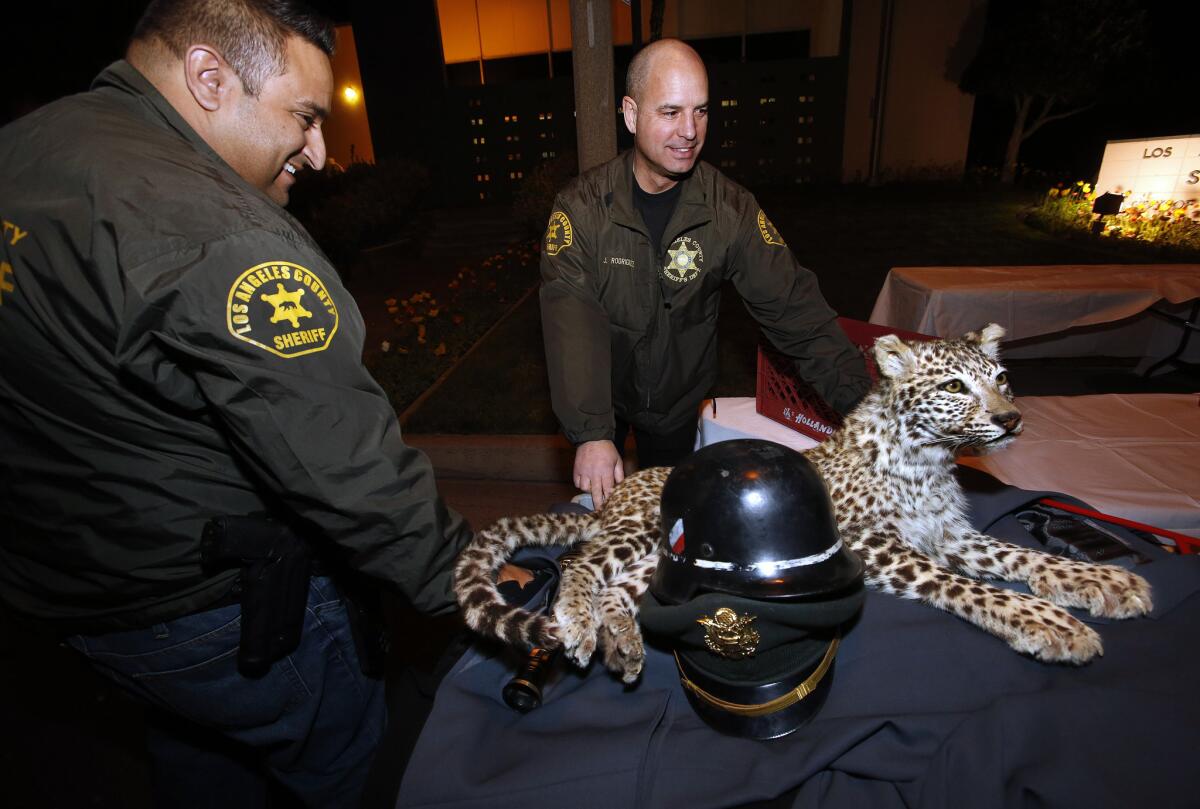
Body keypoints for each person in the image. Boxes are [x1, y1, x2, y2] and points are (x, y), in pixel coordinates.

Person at [0, 1, 494, 806]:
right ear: (208, 77)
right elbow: (349, 470)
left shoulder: (30, 151)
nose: (322, 151)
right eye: (303, 117)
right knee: (357, 770)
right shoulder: (221, 229)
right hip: (220, 610)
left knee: (204, 759)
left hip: (77, 598)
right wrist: (478, 587)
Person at [540, 38, 872, 508]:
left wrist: (869, 407)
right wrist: (592, 433)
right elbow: (571, 321)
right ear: (631, 115)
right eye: (671, 112)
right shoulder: (582, 209)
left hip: (677, 402)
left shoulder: (729, 209)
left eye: (700, 111)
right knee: (602, 522)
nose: (689, 131)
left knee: (672, 517)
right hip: (603, 395)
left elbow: (797, 312)